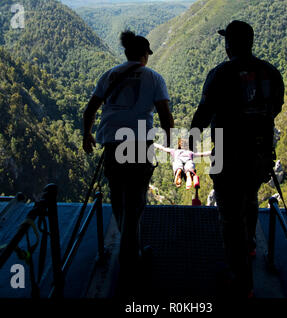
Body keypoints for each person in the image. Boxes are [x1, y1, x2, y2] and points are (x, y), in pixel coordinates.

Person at [190, 20, 284, 298]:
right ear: (251, 42)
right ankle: (252, 243)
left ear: (229, 44)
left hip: (229, 156)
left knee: (230, 217)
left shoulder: (221, 74)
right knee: (250, 196)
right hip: (260, 154)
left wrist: (190, 146)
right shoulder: (270, 72)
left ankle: (241, 283)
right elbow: (275, 108)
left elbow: (204, 113)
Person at [82, 30, 174, 294]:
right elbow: (165, 116)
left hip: (112, 143)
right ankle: (130, 256)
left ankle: (128, 242)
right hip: (138, 145)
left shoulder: (109, 75)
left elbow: (90, 110)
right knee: (136, 198)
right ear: (144, 55)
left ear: (126, 53)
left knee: (119, 195)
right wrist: (169, 141)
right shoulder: (154, 77)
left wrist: (86, 135)